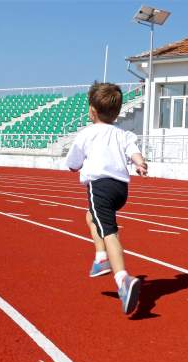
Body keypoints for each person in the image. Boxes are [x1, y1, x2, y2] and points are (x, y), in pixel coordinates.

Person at [65, 82, 148, 315]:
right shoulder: (123, 134)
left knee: (109, 230)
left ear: (91, 110)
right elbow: (134, 152)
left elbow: (72, 164)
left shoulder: (86, 134)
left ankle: (122, 279)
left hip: (99, 187)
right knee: (91, 217)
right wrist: (140, 163)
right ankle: (101, 258)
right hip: (121, 190)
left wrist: (77, 165)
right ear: (118, 112)